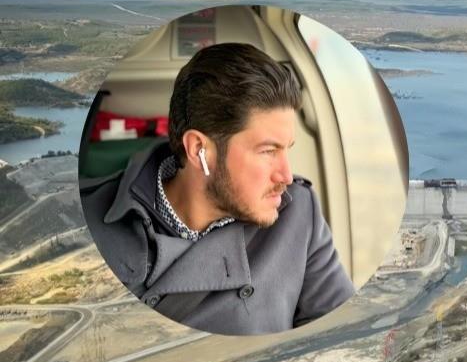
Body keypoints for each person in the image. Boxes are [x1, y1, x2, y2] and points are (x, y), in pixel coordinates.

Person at [80, 43, 355, 335]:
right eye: (267, 151)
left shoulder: (298, 213)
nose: (286, 175)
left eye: (286, 149)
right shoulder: (91, 220)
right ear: (200, 150)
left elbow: (340, 335)